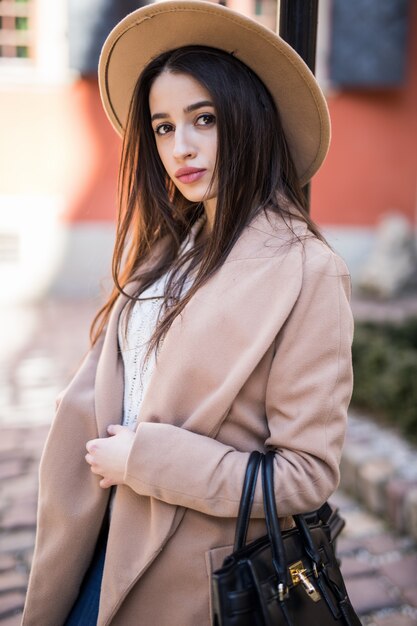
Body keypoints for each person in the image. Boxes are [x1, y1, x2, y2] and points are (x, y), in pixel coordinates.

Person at [22, 2, 354, 625]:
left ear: (250, 121)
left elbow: (306, 475)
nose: (183, 146)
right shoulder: (168, 248)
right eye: (164, 127)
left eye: (205, 118)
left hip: (192, 576)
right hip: (97, 534)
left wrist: (148, 462)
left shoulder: (308, 270)